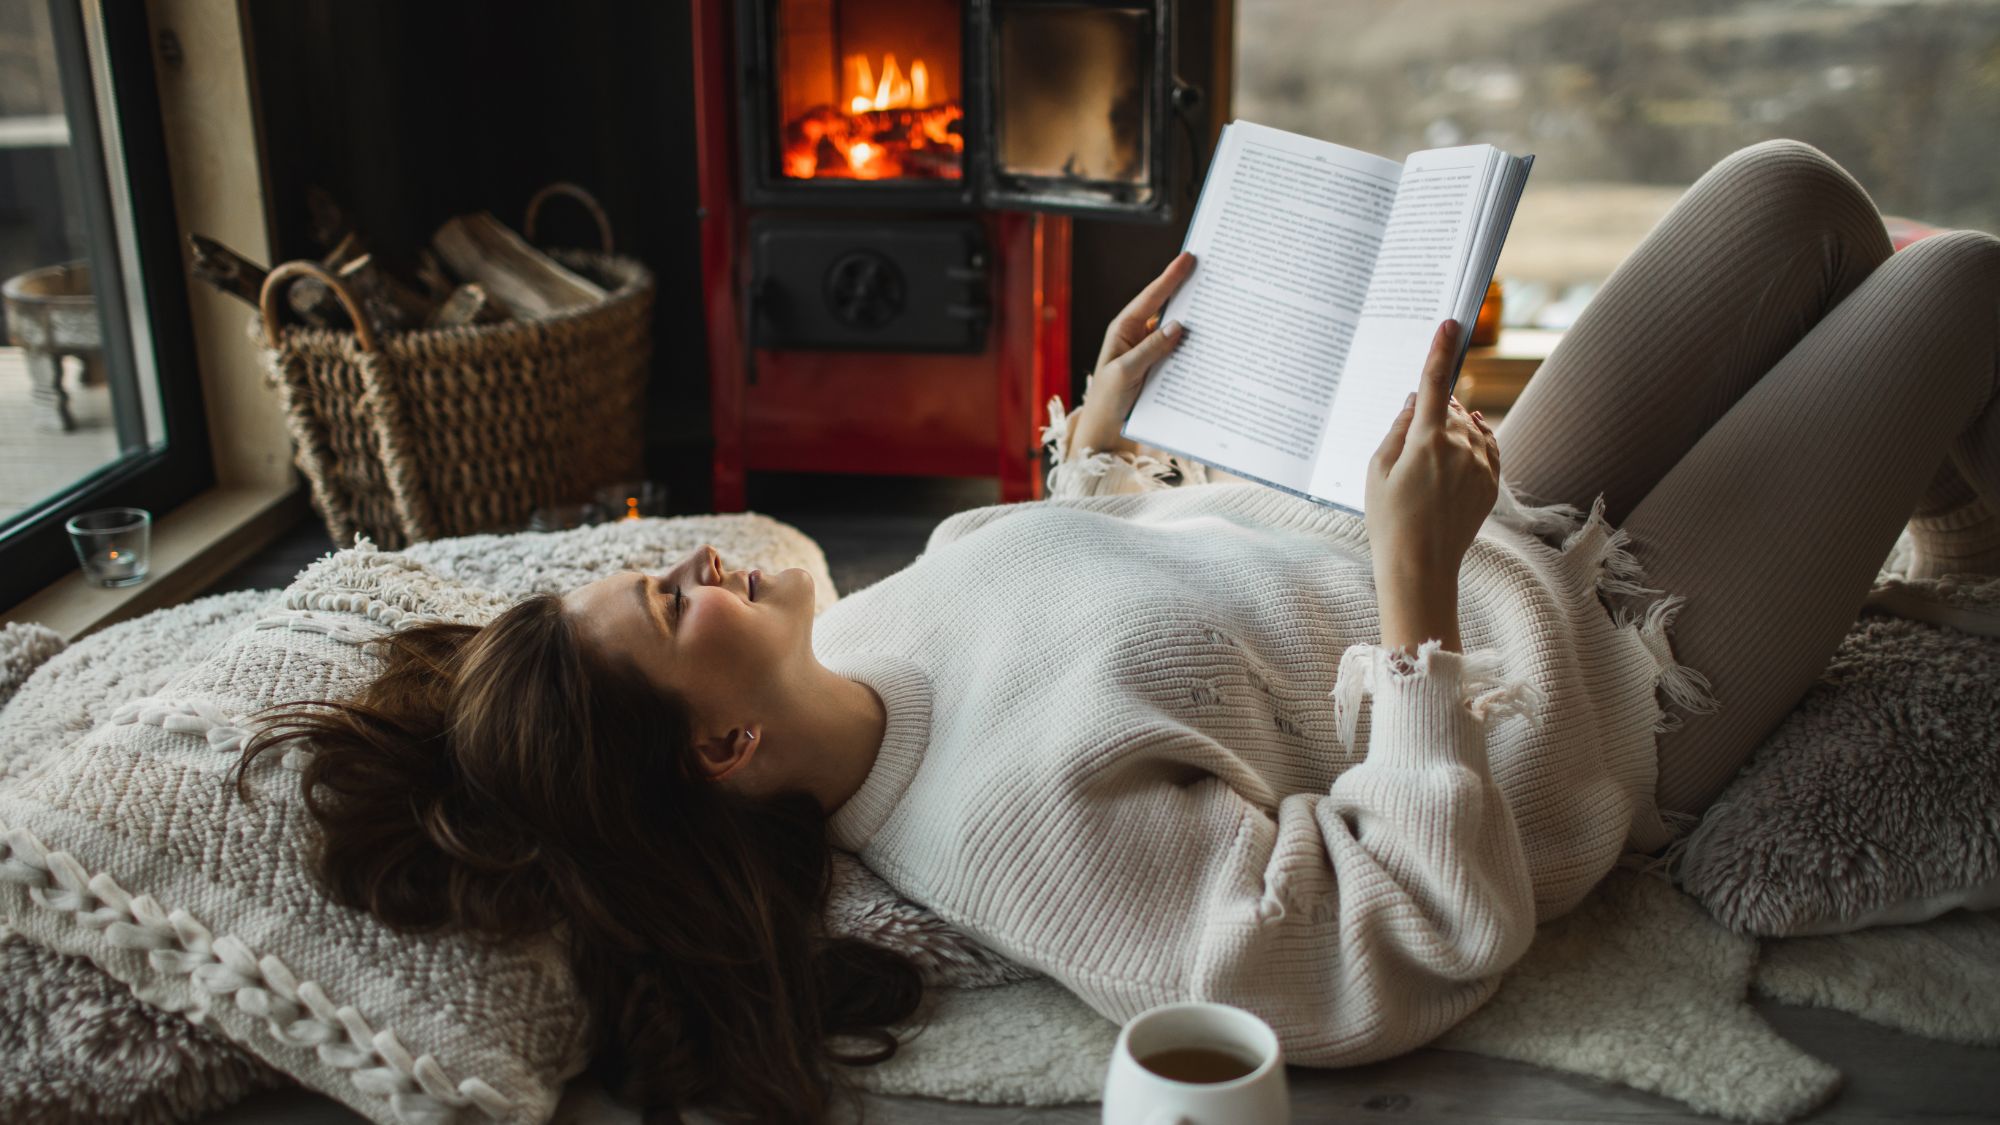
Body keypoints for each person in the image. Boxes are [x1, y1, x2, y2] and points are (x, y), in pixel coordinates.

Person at [242, 140, 2000, 1125]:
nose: (699, 562)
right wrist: (1407, 596)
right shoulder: (1019, 840)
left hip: (1494, 529)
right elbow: (1380, 956)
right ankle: (1951, 571)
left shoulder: (878, 629)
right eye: (670, 599)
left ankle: (1937, 526)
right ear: (723, 747)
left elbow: (1071, 600)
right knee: (1960, 279)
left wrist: (1095, 437)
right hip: (1608, 682)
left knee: (1797, 200)